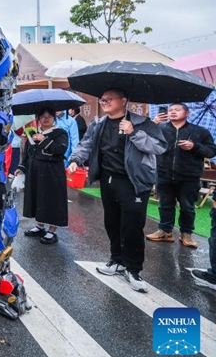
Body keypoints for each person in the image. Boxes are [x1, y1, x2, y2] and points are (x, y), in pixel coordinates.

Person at [68, 89, 166, 293]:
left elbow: (159, 147)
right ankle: (117, 260)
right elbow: (86, 144)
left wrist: (134, 133)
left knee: (132, 226)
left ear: (123, 101)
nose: (104, 102)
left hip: (134, 182)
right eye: (102, 99)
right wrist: (76, 159)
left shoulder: (142, 123)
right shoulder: (98, 123)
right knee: (111, 223)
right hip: (108, 180)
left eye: (108, 99)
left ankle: (133, 269)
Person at [147, 103, 216, 248]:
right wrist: (153, 125)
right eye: (170, 110)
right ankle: (165, 231)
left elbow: (211, 151)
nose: (172, 112)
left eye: (177, 110)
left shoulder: (199, 132)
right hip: (164, 173)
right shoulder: (160, 128)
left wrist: (194, 147)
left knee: (187, 206)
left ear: (187, 113)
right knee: (165, 204)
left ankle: (187, 234)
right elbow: (147, 142)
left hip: (189, 176)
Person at [16, 109, 69, 245]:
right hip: (35, 172)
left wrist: (44, 140)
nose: (46, 119)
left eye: (49, 116)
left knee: (52, 200)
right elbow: (28, 152)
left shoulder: (60, 133)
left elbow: (60, 150)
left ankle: (52, 230)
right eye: (43, 116)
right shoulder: (33, 132)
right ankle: (39, 226)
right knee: (37, 198)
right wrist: (22, 167)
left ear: (54, 118)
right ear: (38, 118)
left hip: (52, 173)